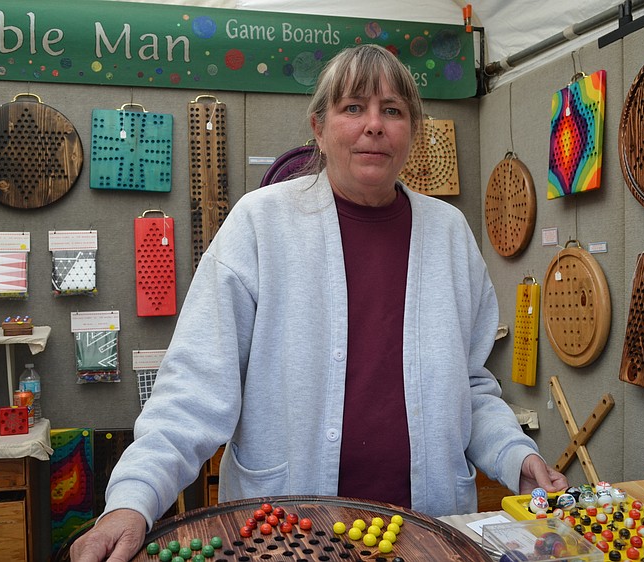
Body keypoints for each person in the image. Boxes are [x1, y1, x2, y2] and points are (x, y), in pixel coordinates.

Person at [71, 43, 567, 562]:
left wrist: (516, 455)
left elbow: (471, 385)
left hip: (426, 532)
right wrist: (131, 501)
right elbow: (193, 390)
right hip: (288, 535)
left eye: (392, 110)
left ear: (414, 132)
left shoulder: (449, 234)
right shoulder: (260, 224)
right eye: (353, 107)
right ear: (318, 126)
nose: (373, 125)